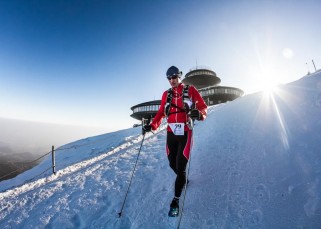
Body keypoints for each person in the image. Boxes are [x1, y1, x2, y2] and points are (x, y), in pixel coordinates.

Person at [143, 66, 207, 215]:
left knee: (181, 164)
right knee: (172, 163)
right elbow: (160, 113)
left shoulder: (190, 90)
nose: (172, 80)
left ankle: (176, 199)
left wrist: (200, 114)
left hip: (185, 131)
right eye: (169, 78)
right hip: (171, 132)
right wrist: (151, 126)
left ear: (179, 76)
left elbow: (203, 107)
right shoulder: (166, 94)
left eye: (174, 77)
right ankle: (182, 178)